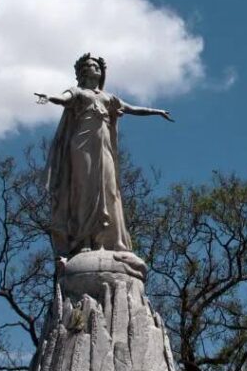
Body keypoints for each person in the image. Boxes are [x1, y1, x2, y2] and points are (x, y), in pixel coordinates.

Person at [36, 53, 172, 256]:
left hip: (104, 148)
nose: (95, 67)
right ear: (83, 72)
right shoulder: (78, 92)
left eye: (98, 65)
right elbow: (65, 99)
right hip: (82, 146)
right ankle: (83, 241)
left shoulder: (108, 98)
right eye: (91, 65)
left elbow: (132, 109)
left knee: (108, 190)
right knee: (85, 190)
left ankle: (104, 240)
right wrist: (50, 97)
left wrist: (157, 111)